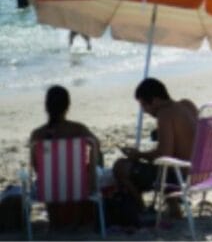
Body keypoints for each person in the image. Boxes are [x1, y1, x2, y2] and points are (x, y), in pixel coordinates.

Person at [113, 79, 197, 208]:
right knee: (161, 166)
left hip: (180, 176)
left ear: (155, 100)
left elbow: (164, 155)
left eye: (144, 105)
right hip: (199, 172)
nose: (144, 111)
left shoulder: (165, 114)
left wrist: (138, 155)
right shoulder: (187, 105)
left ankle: (141, 209)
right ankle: (174, 207)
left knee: (120, 167)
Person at [29, 86, 102, 229]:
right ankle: (76, 219)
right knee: (82, 172)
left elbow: (36, 165)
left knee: (49, 175)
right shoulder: (78, 129)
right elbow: (96, 144)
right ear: (68, 106)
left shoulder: (37, 135)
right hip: (78, 185)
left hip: (48, 188)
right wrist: (91, 173)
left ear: (46, 107)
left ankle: (55, 221)